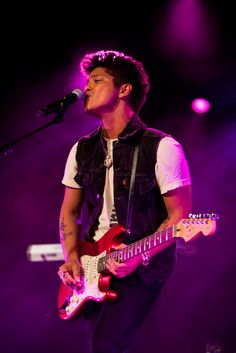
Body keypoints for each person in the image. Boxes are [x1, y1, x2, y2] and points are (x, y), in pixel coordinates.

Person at [57, 49, 192, 353]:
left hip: (143, 267)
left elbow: (179, 217)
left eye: (97, 80)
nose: (86, 87)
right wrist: (72, 257)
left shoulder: (162, 146)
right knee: (99, 345)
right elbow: (69, 211)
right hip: (94, 265)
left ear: (124, 89)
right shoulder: (81, 149)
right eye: (86, 81)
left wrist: (139, 255)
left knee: (108, 343)